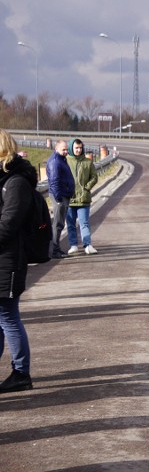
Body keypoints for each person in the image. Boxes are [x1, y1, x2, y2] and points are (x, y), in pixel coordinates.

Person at [0, 129, 36, 393]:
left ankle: (21, 372)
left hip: (8, 260)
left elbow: (9, 223)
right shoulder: (6, 178)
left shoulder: (15, 182)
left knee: (8, 317)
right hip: (3, 258)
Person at [66, 138, 98, 255]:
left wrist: (87, 188)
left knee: (84, 223)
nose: (78, 150)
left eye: (80, 148)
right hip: (70, 199)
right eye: (76, 148)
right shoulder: (66, 161)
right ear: (71, 148)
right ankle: (73, 245)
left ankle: (87, 245)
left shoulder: (88, 162)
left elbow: (94, 177)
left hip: (83, 199)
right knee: (70, 223)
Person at [45, 140, 74, 259]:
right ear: (57, 149)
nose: (66, 152)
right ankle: (54, 250)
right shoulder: (55, 162)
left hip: (63, 195)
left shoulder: (61, 159)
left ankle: (56, 249)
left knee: (60, 223)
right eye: (64, 149)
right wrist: (58, 199)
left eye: (67, 149)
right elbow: (54, 181)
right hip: (60, 196)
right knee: (58, 223)